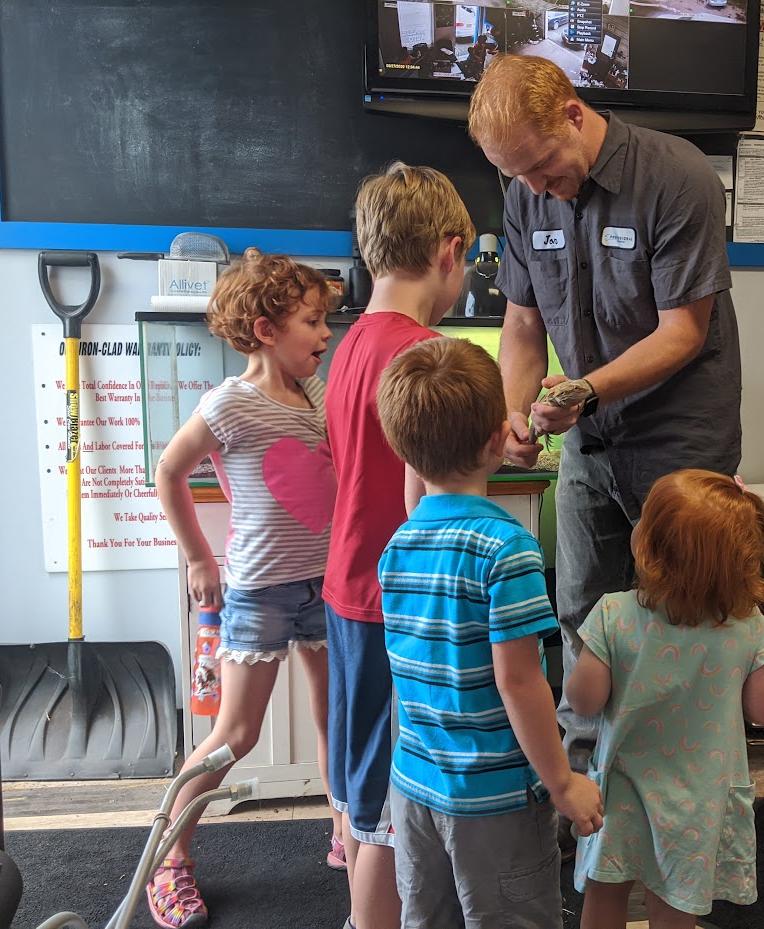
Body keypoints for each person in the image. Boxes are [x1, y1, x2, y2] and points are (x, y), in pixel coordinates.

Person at [467, 53, 743, 832]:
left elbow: (683, 331)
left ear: (572, 113)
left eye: (542, 167)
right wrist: (514, 412)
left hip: (681, 441)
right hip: (590, 441)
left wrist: (583, 389)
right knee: (583, 617)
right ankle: (584, 805)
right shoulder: (525, 195)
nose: (535, 187)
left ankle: (684, 804)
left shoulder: (675, 176)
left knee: (684, 625)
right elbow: (522, 325)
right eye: (515, 175)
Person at [375, 337, 605, 929]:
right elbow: (519, 683)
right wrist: (562, 783)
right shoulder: (507, 550)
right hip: (495, 801)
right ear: (497, 439)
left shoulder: (398, 546)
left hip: (415, 788)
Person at [150, 248, 341, 928]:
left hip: (325, 585)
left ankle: (345, 831)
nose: (325, 333)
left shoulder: (319, 397)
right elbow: (169, 471)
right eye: (312, 321)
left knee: (337, 717)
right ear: (265, 330)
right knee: (235, 732)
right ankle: (168, 860)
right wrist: (198, 558)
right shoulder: (230, 404)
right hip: (260, 591)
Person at [323, 162, 476, 929]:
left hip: (347, 588)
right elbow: (425, 493)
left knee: (359, 783)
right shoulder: (423, 355)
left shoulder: (347, 344)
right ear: (449, 252)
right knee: (390, 794)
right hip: (399, 605)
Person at [565, 470, 764, 928]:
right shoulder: (748, 623)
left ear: (651, 548)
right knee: (676, 903)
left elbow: (583, 702)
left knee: (606, 892)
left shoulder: (614, 614)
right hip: (700, 802)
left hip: (622, 792)